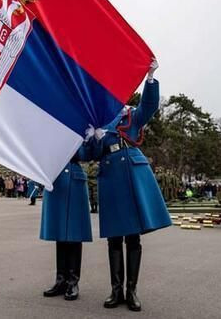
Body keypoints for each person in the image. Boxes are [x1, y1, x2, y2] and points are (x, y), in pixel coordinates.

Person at [87, 59, 171, 312]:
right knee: (114, 238)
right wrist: (94, 138)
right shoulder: (99, 119)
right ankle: (116, 290)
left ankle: (131, 291)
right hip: (111, 175)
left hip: (131, 172)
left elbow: (149, 106)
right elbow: (91, 152)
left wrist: (151, 78)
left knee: (132, 238)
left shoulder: (130, 114)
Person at [40, 145, 93, 301]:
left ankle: (73, 281)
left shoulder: (82, 125)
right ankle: (61, 280)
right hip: (56, 179)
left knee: (74, 233)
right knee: (60, 233)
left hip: (74, 179)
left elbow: (88, 153)